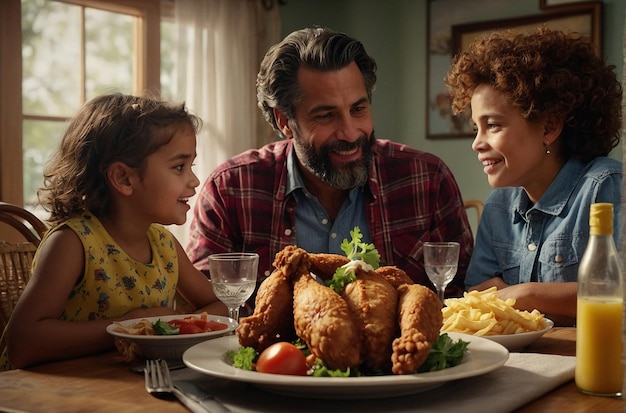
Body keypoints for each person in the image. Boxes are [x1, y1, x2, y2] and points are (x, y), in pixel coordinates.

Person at [187, 27, 474, 304]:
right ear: (284, 121)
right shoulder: (230, 190)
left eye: (358, 109)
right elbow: (208, 311)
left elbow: (464, 295)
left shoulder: (427, 179)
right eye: (326, 116)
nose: (350, 133)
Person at [1, 93, 227, 370]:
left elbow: (220, 305)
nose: (194, 180)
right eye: (179, 167)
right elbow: (24, 343)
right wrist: (132, 326)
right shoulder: (72, 243)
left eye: (190, 165)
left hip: (126, 389)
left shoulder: (164, 246)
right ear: (123, 178)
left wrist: (172, 325)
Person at [444, 27, 622, 326]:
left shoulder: (606, 186)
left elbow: (616, 294)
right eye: (477, 127)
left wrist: (525, 294)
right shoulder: (499, 204)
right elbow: (477, 289)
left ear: (549, 127)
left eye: (494, 125)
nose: (477, 142)